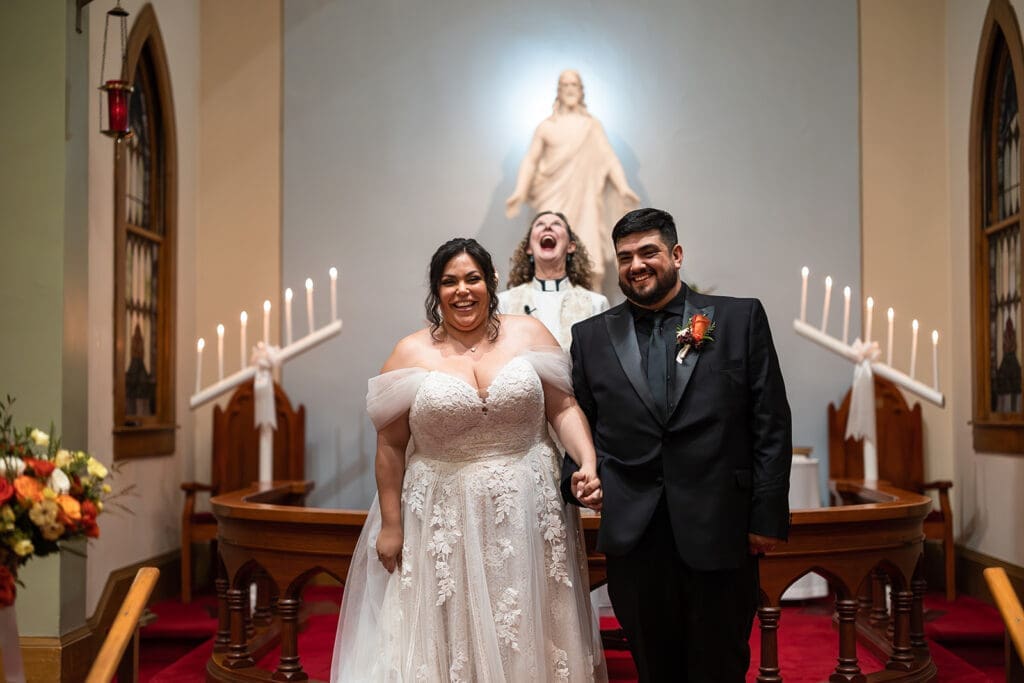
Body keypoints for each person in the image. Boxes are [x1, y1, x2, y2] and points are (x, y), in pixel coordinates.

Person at [331, 238, 608, 682]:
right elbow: (390, 445)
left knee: (526, 617)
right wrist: (391, 522)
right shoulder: (409, 352)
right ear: (436, 291)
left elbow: (563, 408)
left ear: (491, 281)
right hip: (442, 512)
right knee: (451, 622)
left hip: (527, 507)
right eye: (449, 281)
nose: (462, 290)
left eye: (472, 278)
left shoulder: (530, 334)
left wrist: (587, 462)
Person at [562, 208, 792, 681]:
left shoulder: (738, 317)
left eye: (648, 252)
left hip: (720, 528)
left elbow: (770, 421)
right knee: (654, 666)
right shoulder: (590, 338)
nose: (636, 265)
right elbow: (579, 425)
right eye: (624, 257)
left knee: (720, 664)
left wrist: (765, 516)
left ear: (677, 255)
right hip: (635, 536)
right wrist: (575, 479)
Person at [505, 70, 640, 281]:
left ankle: (593, 307)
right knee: (551, 250)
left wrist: (623, 187)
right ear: (559, 91)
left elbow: (609, 158)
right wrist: (519, 191)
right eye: (565, 85)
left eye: (574, 85)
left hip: (586, 198)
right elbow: (531, 160)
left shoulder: (591, 125)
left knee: (590, 260)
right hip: (553, 196)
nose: (570, 90)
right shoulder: (546, 127)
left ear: (581, 91)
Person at [498, 211, 609, 350]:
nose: (548, 227)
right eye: (540, 224)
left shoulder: (596, 304)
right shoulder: (504, 303)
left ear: (571, 246)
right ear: (528, 249)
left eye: (556, 224)